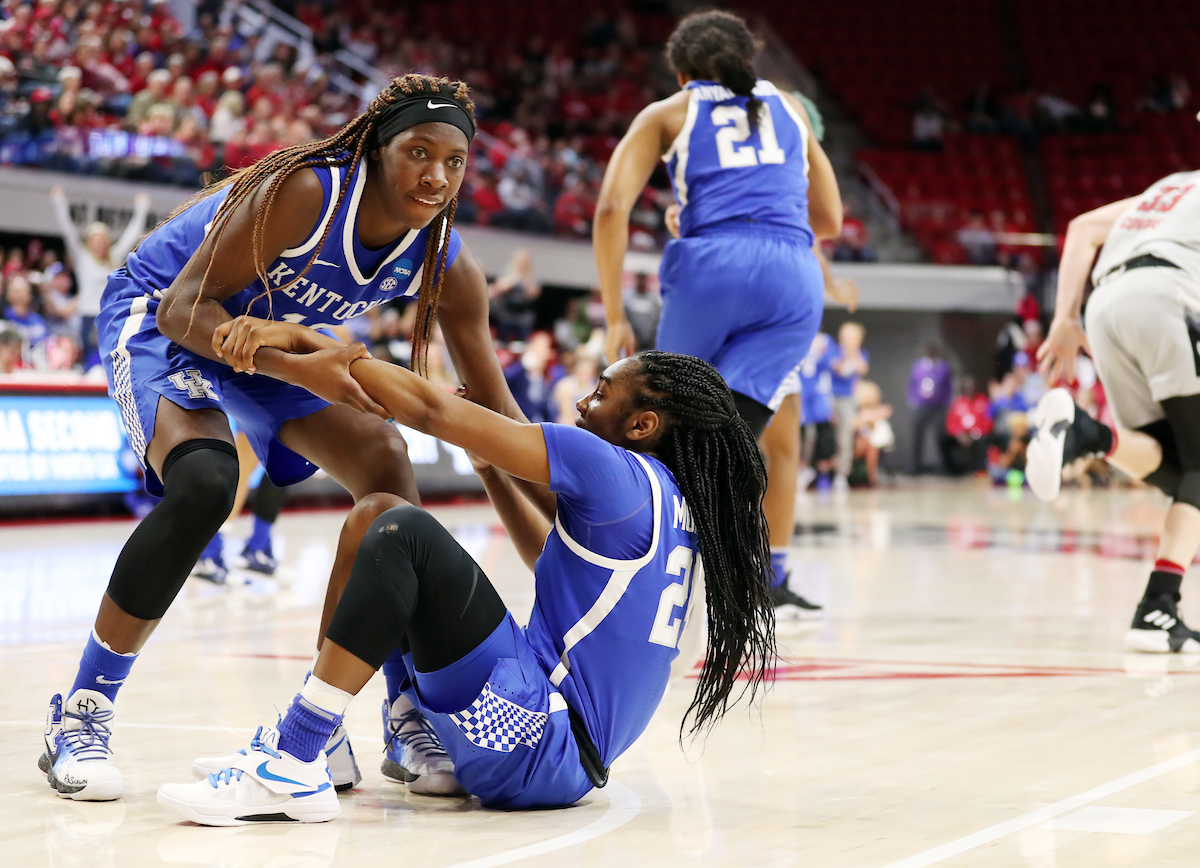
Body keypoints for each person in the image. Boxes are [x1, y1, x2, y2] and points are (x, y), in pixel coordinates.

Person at [39, 74, 527, 802]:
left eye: (454, 162)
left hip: (270, 347)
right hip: (168, 320)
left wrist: (587, 478)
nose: (436, 176)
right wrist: (300, 364)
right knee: (206, 482)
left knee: (386, 463)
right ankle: (80, 713)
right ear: (375, 151)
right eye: (418, 153)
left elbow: (494, 402)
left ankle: (390, 713)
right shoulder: (308, 192)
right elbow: (183, 307)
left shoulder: (446, 261)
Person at [157, 348, 777, 823]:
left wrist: (325, 356)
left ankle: (295, 757)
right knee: (378, 513)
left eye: (600, 392)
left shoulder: (609, 468)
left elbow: (431, 410)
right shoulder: (667, 502)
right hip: (560, 753)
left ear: (641, 424)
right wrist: (494, 475)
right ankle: (357, 743)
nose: (582, 403)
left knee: (400, 533)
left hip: (534, 739)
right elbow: (557, 567)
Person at [593, 10, 843, 618]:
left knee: (661, 428)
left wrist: (613, 312)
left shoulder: (668, 113)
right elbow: (830, 220)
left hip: (712, 269)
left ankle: (635, 575)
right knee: (734, 439)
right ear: (747, 62)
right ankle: (753, 581)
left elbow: (609, 209)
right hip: (793, 277)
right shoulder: (788, 107)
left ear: (681, 74)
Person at [1030, 163, 1200, 653]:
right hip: (1170, 298)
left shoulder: (1167, 188)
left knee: (1179, 468)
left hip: (1106, 306)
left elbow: (1083, 229)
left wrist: (1064, 317)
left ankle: (1086, 434)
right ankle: (1157, 605)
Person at [51, 186, 151, 370]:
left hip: (108, 315)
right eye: (95, 241)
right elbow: (68, 232)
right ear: (89, 242)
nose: (99, 245)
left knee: (111, 357)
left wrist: (141, 208)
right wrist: (59, 202)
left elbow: (130, 236)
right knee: (90, 359)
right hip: (88, 316)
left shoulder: (112, 259)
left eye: (102, 240)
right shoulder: (83, 258)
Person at [830, 321, 868, 490]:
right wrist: (845, 355)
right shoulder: (833, 351)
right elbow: (835, 367)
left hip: (847, 400)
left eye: (852, 337)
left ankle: (842, 474)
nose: (848, 340)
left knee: (845, 437)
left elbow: (862, 369)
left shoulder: (861, 354)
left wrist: (853, 355)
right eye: (846, 337)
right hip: (829, 397)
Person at [908, 343, 952, 474]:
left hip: (938, 406)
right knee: (917, 437)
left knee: (941, 437)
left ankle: (944, 466)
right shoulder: (918, 366)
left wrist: (947, 403)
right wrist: (913, 400)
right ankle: (915, 467)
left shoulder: (943, 366)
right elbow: (912, 384)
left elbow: (948, 387)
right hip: (921, 406)